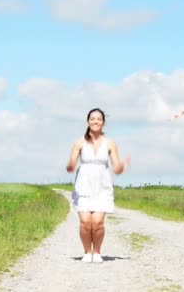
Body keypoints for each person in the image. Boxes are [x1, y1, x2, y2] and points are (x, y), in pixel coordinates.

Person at [66, 107, 130, 263]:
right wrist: (71, 164)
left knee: (98, 222)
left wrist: (122, 166)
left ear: (103, 123)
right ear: (88, 121)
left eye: (99, 119)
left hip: (102, 185)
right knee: (85, 221)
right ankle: (87, 252)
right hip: (83, 185)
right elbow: (71, 166)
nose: (95, 121)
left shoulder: (110, 143)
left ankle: (97, 252)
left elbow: (116, 168)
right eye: (92, 119)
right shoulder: (79, 142)